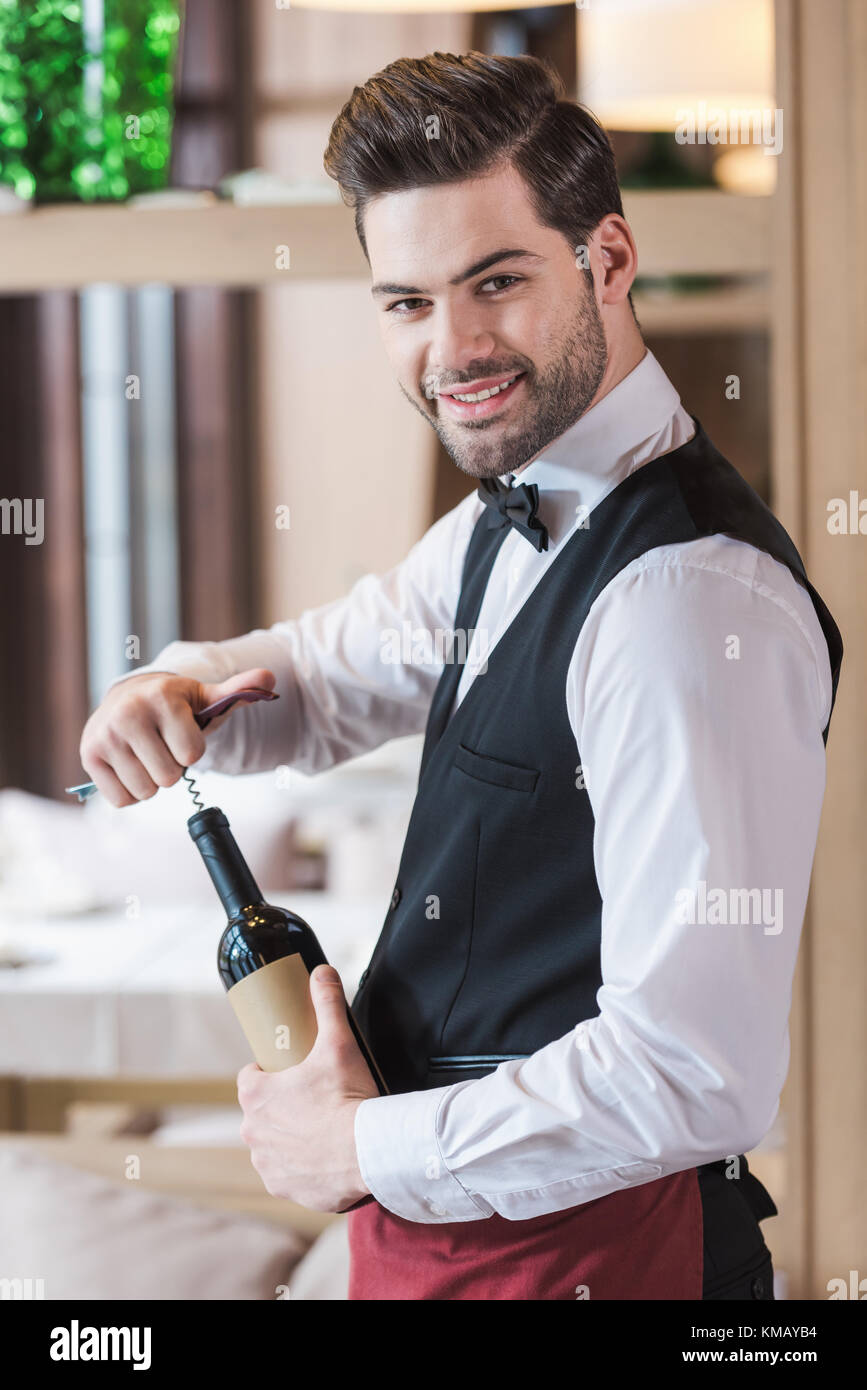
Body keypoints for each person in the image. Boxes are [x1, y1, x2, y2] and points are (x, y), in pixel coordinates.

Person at [80, 52, 843, 1301]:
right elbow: (329, 671)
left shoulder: (686, 602)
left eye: (496, 283)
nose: (453, 348)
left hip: (607, 1262)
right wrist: (178, 682)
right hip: (447, 1250)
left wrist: (357, 1143)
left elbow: (697, 1067)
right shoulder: (515, 504)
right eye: (406, 303)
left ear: (606, 259)